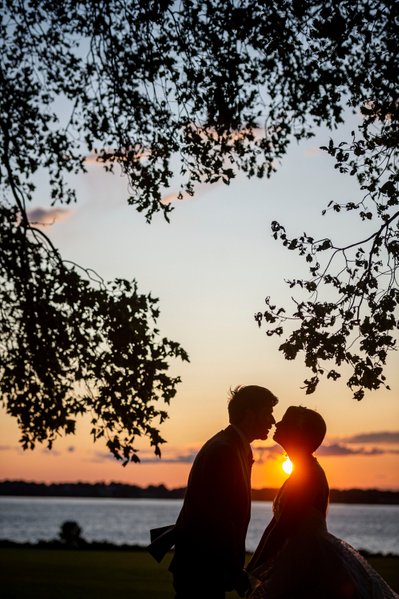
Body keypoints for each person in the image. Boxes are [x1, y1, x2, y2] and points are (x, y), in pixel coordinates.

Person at [246, 406, 399, 599]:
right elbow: (275, 523)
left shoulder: (308, 474)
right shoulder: (300, 470)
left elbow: (283, 527)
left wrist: (253, 568)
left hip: (309, 559)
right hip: (298, 554)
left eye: (285, 421)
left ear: (297, 432)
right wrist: (252, 565)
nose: (278, 423)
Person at [148, 384, 278, 599]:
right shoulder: (225, 450)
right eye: (268, 413)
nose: (272, 421)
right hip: (202, 566)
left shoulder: (232, 446)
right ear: (249, 414)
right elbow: (218, 519)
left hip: (204, 565)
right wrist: (233, 571)